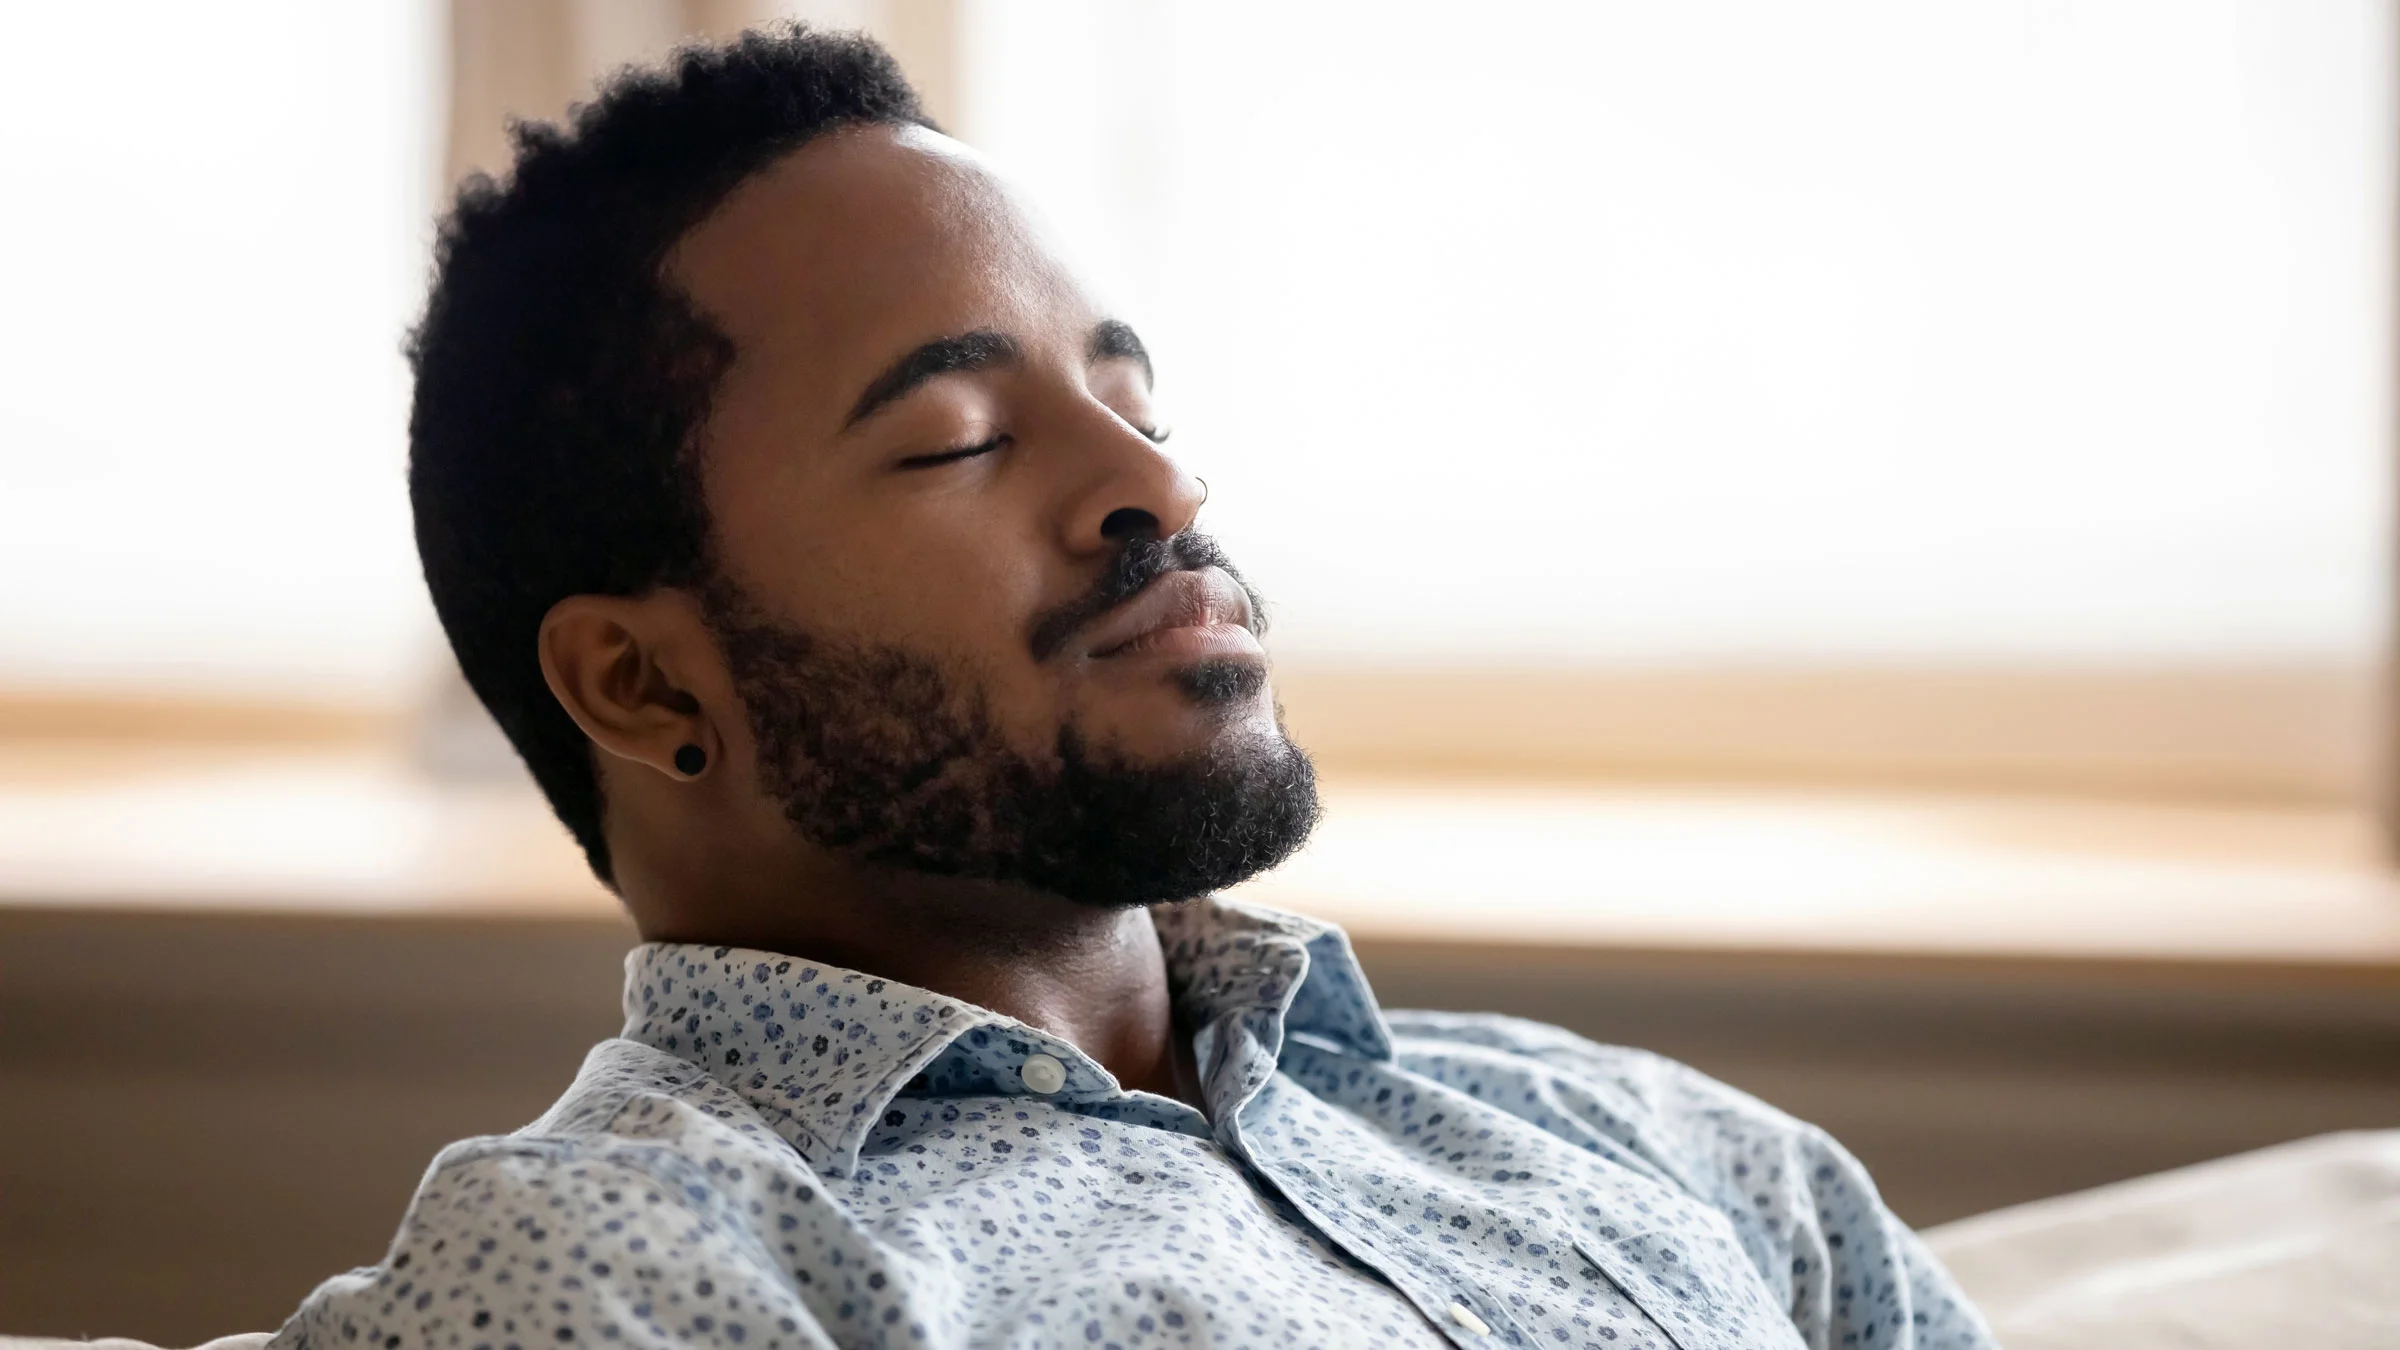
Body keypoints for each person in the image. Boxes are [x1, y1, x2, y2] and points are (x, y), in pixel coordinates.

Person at [276, 26, 1994, 1350]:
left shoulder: (1646, 1140)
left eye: (1138, 404)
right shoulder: (623, 1278)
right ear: (646, 684)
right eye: (958, 437)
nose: (1159, 493)